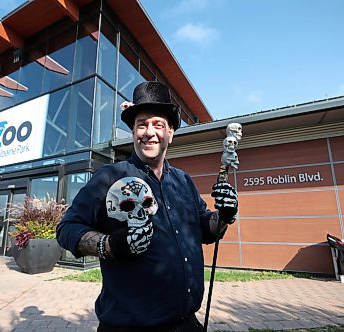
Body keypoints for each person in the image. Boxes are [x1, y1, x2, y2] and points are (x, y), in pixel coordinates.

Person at [57, 81, 238, 332]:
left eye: (158, 125)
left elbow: (207, 230)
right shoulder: (109, 178)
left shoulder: (183, 181)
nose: (149, 132)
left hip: (188, 324)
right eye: (142, 124)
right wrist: (109, 245)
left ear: (171, 133)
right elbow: (67, 229)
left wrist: (225, 216)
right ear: (133, 132)